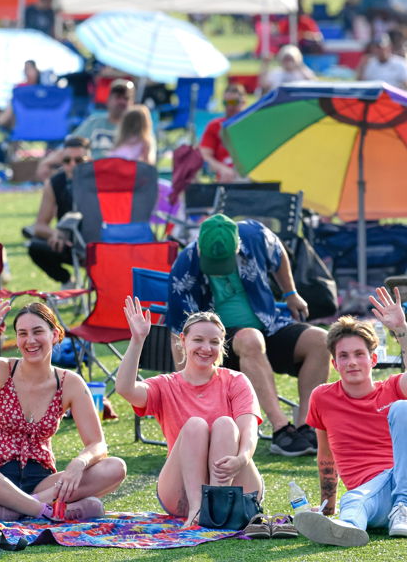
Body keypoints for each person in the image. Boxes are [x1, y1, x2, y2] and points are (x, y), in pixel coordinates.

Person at [0, 300, 126, 522]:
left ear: (55, 335)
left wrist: (79, 464)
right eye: (22, 334)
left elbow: (97, 444)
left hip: (41, 480)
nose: (30, 340)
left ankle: (20, 508)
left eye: (38, 331)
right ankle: (45, 508)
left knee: (115, 468)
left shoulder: (69, 383)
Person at [166, 213, 330, 457]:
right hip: (219, 347)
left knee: (321, 340)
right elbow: (179, 332)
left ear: (237, 246)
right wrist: (183, 385)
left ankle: (307, 427)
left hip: (268, 323)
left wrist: (291, 293)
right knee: (250, 338)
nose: (219, 270)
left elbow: (280, 254)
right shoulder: (185, 265)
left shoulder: (255, 235)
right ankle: (281, 430)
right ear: (199, 248)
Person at [116, 298, 263, 527]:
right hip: (181, 490)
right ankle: (198, 508)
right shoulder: (166, 385)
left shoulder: (236, 381)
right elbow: (125, 389)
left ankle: (219, 504)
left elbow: (249, 432)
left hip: (235, 484)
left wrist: (241, 459)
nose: (206, 348)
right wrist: (137, 340)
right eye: (198, 340)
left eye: (214, 342)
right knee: (195, 425)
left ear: (222, 345)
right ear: (182, 341)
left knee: (225, 424)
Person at [294, 286, 407, 547]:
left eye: (359, 354)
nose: (352, 362)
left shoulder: (392, 388)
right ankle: (346, 527)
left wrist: (401, 331)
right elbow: (326, 455)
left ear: (373, 359)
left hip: (401, 479)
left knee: (403, 409)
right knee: (355, 500)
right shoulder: (322, 397)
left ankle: (403, 504)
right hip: (371, 497)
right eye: (343, 356)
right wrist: (326, 507)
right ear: (335, 364)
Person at [29, 136, 91, 288]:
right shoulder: (55, 182)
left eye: (79, 161)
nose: (72, 165)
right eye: (67, 161)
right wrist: (56, 233)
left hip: (98, 244)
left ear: (89, 160)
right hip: (69, 244)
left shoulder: (100, 181)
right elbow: (40, 226)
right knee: (35, 247)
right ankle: (67, 282)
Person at [72, 79, 134, 158]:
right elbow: (71, 144)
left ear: (132, 103)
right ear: (108, 100)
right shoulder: (94, 123)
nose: (122, 102)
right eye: (118, 97)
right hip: (93, 168)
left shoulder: (136, 129)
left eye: (126, 98)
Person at [198, 84, 246, 183]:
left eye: (234, 102)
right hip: (226, 177)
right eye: (226, 103)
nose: (230, 106)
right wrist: (221, 168)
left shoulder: (251, 124)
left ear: (243, 102)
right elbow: (204, 156)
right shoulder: (215, 126)